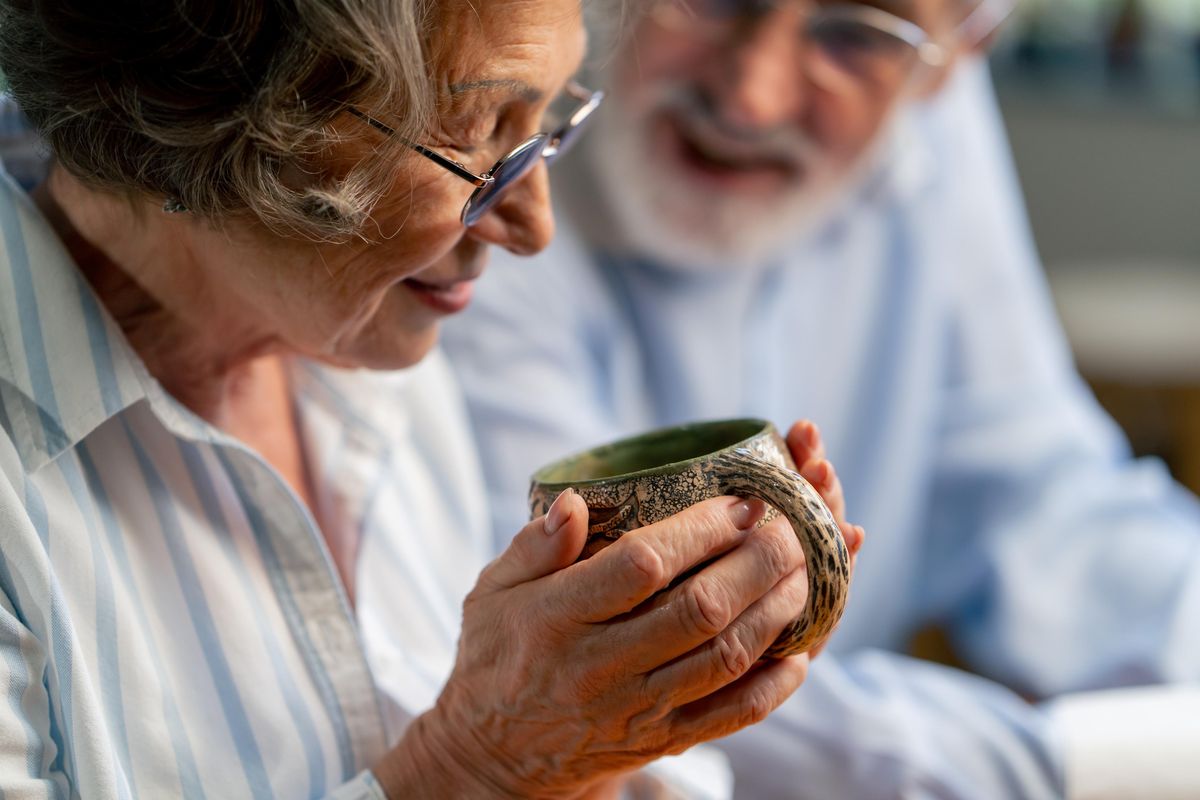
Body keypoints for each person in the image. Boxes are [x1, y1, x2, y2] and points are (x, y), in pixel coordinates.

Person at [0, 1, 866, 797]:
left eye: (548, 123)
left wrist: (602, 731)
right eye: (484, 139)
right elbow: (492, 755)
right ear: (206, 111)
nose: (534, 229)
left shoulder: (376, 357)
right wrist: (477, 764)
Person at [443, 0, 1200, 796]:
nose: (751, 100)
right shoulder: (501, 127)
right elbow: (607, 667)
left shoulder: (927, 86)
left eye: (852, 34)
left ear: (963, 51)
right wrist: (1090, 769)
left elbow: (1044, 497)